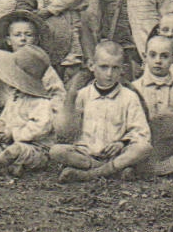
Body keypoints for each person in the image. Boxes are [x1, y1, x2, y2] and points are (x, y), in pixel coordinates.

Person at [50, 41, 153, 182]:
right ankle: (111, 171)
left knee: (143, 148)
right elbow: (68, 132)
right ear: (92, 65)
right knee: (56, 151)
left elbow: (141, 132)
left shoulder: (129, 97)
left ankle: (89, 175)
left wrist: (121, 143)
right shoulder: (82, 95)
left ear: (122, 69)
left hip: (116, 154)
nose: (109, 74)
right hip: (87, 154)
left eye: (115, 68)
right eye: (104, 67)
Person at [0, 45, 69, 175]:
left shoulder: (41, 103)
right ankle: (2, 163)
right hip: (7, 145)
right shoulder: (14, 98)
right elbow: (3, 118)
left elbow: (40, 128)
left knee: (16, 150)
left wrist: (13, 134)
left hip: (35, 149)